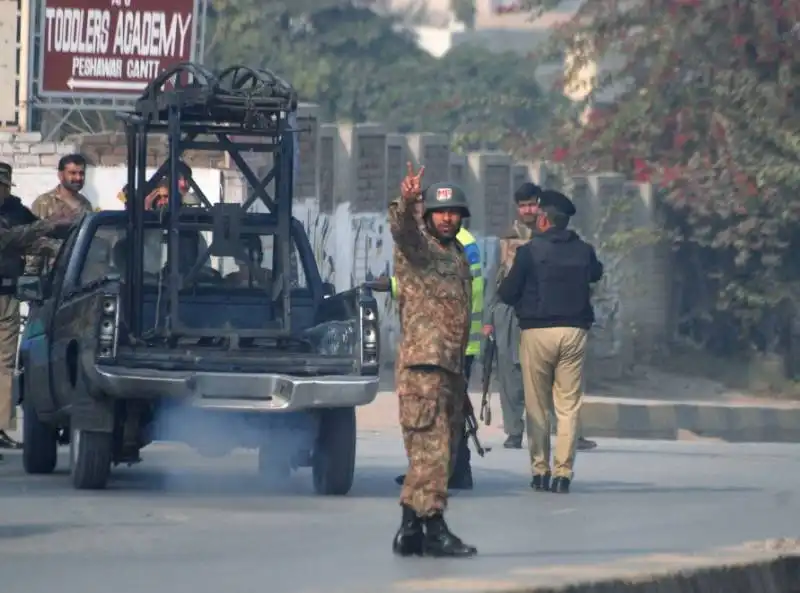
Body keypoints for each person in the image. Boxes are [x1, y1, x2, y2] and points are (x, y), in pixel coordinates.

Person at [390, 162, 477, 558]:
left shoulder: (457, 254)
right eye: (440, 212)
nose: (447, 218)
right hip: (423, 367)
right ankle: (434, 529)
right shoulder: (419, 249)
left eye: (453, 212)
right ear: (428, 216)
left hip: (449, 368)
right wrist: (408, 199)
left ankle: (410, 528)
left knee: (434, 451)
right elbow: (402, 230)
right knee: (434, 451)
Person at [498, 190, 603, 494]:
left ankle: (540, 471)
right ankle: (563, 473)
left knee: (538, 404)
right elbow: (596, 274)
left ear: (543, 219)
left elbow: (506, 293)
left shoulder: (529, 252)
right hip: (574, 333)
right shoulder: (584, 250)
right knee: (568, 406)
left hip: (537, 333)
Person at [382, 218, 483, 490]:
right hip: (456, 342)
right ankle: (445, 471)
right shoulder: (463, 244)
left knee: (441, 412)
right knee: (445, 411)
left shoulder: (454, 245)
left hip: (452, 343)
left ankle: (447, 472)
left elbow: (436, 284)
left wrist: (391, 285)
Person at [0, 162, 77, 455]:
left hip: (7, 294)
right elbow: (9, 238)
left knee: (4, 365)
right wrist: (47, 226)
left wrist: (52, 244)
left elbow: (33, 238)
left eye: (4, 187)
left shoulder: (16, 210)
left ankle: (0, 427)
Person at [27, 153, 93, 276]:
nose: (78, 178)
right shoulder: (44, 202)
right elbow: (32, 241)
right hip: (50, 276)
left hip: (76, 274)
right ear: (61, 175)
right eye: (73, 173)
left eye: (81, 173)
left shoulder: (86, 205)